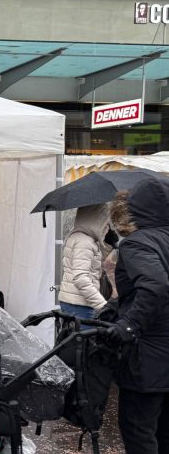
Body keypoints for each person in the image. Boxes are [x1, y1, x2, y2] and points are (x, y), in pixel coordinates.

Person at [109, 179, 169, 453]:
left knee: (139, 431)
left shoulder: (138, 243)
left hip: (148, 358)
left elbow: (156, 284)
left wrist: (129, 325)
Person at [59, 204, 109, 320]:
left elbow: (94, 268)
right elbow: (80, 277)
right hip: (79, 304)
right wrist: (102, 305)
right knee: (85, 337)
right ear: (96, 220)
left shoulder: (83, 238)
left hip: (75, 301)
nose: (107, 226)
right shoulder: (84, 241)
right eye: (105, 221)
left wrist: (109, 243)